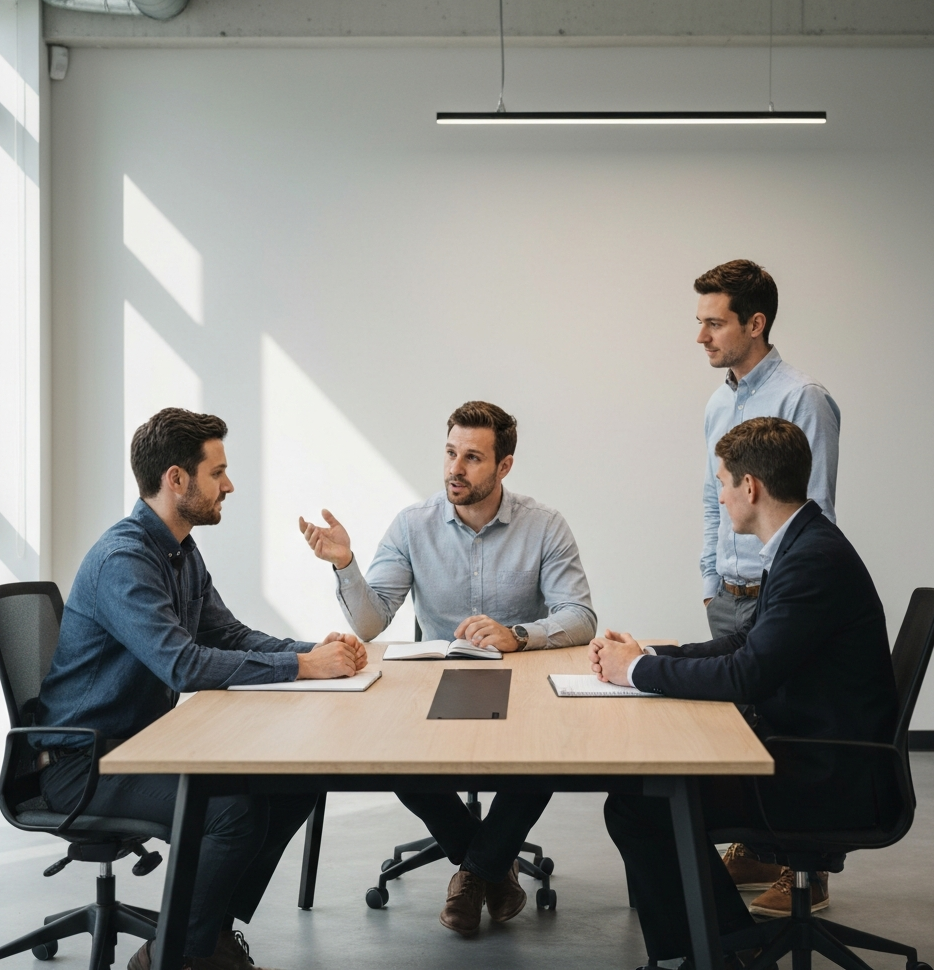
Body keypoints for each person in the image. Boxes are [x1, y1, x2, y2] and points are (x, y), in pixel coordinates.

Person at [35, 409, 367, 970]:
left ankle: (203, 934)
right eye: (218, 473)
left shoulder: (180, 550)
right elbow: (184, 666)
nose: (229, 485)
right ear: (176, 479)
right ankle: (176, 957)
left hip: (145, 746)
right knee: (231, 812)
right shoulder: (125, 560)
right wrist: (304, 669)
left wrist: (311, 651)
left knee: (296, 783)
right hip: (86, 763)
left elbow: (229, 634)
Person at [590, 418, 898, 969]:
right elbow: (746, 643)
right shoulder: (804, 542)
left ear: (750, 486)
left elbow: (744, 675)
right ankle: (719, 946)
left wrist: (636, 672)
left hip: (823, 771)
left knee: (642, 805)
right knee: (644, 798)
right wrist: (655, 658)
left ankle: (721, 952)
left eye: (722, 482)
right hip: (810, 748)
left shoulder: (811, 559)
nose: (721, 495)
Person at [299, 400, 596, 936]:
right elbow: (370, 623)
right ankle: (488, 868)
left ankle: (472, 874)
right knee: (391, 758)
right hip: (438, 683)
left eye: (473, 458)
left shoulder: (545, 525)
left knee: (553, 756)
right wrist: (346, 564)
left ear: (504, 466)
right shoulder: (413, 526)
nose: (455, 469)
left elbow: (580, 616)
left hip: (520, 686)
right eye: (451, 453)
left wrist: (519, 635)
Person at [696, 259, 841, 640]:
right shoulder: (717, 404)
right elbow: (716, 500)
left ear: (755, 324)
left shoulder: (803, 398)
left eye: (715, 324)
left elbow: (815, 511)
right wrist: (712, 587)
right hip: (725, 600)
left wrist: (782, 598)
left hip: (778, 599)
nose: (702, 337)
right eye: (701, 324)